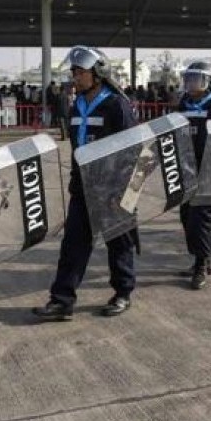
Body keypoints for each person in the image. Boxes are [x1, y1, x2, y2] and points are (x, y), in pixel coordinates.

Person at [33, 45, 137, 320]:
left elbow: (131, 149)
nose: (74, 77)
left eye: (80, 72)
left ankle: (123, 292)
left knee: (119, 242)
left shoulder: (117, 104)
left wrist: (122, 188)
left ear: (98, 73)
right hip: (84, 187)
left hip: (113, 187)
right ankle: (62, 300)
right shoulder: (76, 104)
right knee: (74, 244)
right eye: (73, 71)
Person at [176, 61, 211, 288]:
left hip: (210, 171)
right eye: (188, 78)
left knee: (201, 219)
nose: (190, 82)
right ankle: (203, 257)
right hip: (188, 169)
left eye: (195, 78)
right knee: (187, 217)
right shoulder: (184, 103)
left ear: (206, 81)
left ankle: (200, 265)